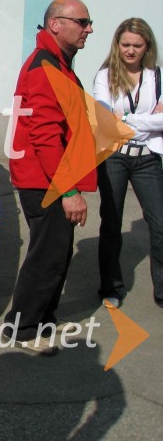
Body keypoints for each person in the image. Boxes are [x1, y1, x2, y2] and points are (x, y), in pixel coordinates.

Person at [3, 0, 96, 355]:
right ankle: (24, 329)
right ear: (56, 24)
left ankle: (42, 319)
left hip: (47, 178)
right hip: (44, 181)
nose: (89, 28)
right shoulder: (46, 68)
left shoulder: (57, 62)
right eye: (83, 21)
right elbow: (44, 137)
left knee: (56, 252)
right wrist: (68, 191)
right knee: (47, 256)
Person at [93, 18, 163, 309]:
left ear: (147, 46)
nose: (131, 51)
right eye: (126, 45)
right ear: (117, 44)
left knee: (160, 225)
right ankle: (110, 286)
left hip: (148, 159)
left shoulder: (156, 76)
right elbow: (107, 122)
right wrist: (151, 120)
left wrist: (129, 119)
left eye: (137, 45)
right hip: (114, 158)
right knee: (111, 222)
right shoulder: (105, 76)